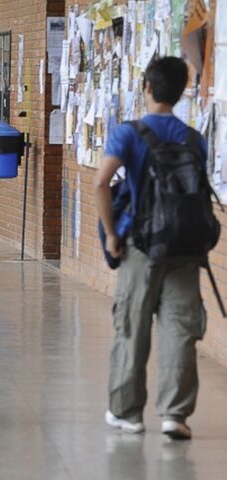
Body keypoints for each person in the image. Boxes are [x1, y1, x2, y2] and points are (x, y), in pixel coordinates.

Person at [94, 57, 209, 440]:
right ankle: (175, 415)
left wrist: (111, 234)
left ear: (147, 87)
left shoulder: (128, 133)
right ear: (181, 92)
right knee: (180, 330)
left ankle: (127, 412)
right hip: (185, 247)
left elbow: (100, 183)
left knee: (132, 326)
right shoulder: (195, 138)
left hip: (141, 246)